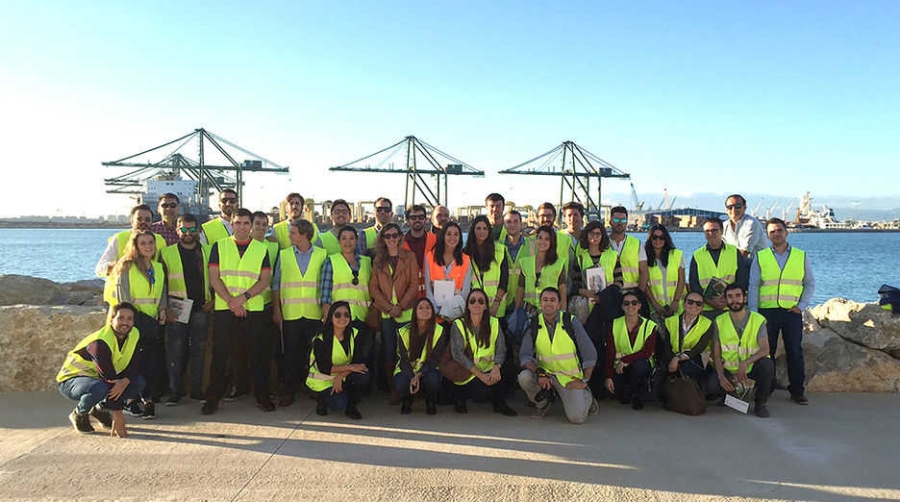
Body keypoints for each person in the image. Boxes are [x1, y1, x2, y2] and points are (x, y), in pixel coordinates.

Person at [202, 208, 273, 415]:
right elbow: (214, 278)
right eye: (238, 223)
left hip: (254, 309)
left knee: (259, 355)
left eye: (245, 223)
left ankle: (262, 395)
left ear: (251, 225)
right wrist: (232, 302)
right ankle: (213, 397)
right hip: (225, 309)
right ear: (231, 224)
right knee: (220, 354)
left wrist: (243, 299)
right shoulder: (219, 247)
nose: (242, 227)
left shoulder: (261, 249)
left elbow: (265, 280)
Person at [749, 217, 816, 405]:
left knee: (794, 351)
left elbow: (810, 283)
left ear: (786, 232)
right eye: (772, 231)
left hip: (791, 312)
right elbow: (753, 285)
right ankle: (765, 388)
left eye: (779, 230)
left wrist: (801, 306)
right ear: (768, 235)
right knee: (765, 352)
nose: (776, 234)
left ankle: (797, 391)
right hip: (766, 312)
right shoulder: (761, 256)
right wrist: (754, 312)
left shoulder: (800, 256)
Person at [57, 302, 144, 437]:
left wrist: (125, 381)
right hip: (71, 381)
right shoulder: (100, 342)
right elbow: (108, 377)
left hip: (99, 379)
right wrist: (118, 416)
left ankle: (99, 409)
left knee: (138, 382)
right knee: (100, 388)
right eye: (121, 318)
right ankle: (79, 414)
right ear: (111, 320)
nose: (125, 323)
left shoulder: (134, 333)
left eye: (129, 319)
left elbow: (135, 363)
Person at [519, 287, 598, 424]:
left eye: (552, 300)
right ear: (540, 303)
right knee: (524, 377)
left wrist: (584, 381)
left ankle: (587, 397)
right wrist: (539, 372)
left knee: (577, 418)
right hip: (545, 375)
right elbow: (525, 355)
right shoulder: (532, 324)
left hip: (568, 378)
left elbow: (590, 354)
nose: (548, 303)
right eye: (545, 300)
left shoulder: (570, 322)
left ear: (559, 304)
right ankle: (542, 404)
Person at [111, 230, 167, 418]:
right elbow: (122, 297)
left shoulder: (158, 267)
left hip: (152, 323)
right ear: (135, 246)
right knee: (133, 364)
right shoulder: (126, 266)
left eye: (151, 242)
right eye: (143, 243)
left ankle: (148, 400)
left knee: (150, 364)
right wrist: (129, 322)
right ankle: (132, 400)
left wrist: (162, 309)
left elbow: (162, 291)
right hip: (134, 323)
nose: (148, 246)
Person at [272, 219, 327, 407]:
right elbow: (276, 284)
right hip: (291, 313)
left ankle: (314, 387)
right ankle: (289, 389)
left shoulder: (322, 254)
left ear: (305, 234)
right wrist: (276, 309)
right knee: (290, 354)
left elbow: (326, 285)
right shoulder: (284, 254)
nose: (290, 236)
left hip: (314, 312)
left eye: (293, 232)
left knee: (314, 353)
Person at [161, 214, 212, 405]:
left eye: (192, 229)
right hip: (177, 309)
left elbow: (216, 278)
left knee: (199, 350)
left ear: (198, 231)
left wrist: (213, 300)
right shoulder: (166, 253)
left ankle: (197, 391)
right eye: (184, 229)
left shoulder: (208, 251)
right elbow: (161, 284)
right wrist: (165, 308)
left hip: (201, 308)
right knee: (176, 350)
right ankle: (176, 392)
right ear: (177, 230)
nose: (188, 233)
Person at [708, 284, 775, 418]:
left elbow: (765, 349)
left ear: (744, 298)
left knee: (767, 365)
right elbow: (716, 354)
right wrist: (721, 377)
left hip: (750, 369)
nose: (734, 300)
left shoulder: (758, 320)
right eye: (730, 297)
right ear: (726, 300)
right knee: (712, 386)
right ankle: (729, 396)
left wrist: (745, 362)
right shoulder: (719, 321)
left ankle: (760, 404)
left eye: (738, 296)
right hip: (729, 370)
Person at [449, 289, 517, 416]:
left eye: (481, 301)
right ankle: (460, 400)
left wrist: (497, 367)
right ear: (467, 305)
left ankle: (499, 403)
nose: (476, 304)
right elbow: (457, 354)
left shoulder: (494, 323)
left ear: (486, 306)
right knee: (459, 369)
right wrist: (480, 375)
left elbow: (501, 349)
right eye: (472, 301)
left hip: (489, 369)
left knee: (508, 367)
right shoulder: (458, 324)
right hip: (467, 371)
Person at [370, 222, 419, 389]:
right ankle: (393, 388)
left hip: (406, 313)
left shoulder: (410, 257)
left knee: (407, 351)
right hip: (386, 314)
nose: (391, 239)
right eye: (387, 236)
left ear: (400, 237)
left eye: (394, 235)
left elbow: (414, 285)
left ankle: (409, 384)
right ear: (382, 239)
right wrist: (389, 308)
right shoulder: (378, 260)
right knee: (389, 351)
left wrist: (401, 306)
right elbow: (374, 288)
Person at [307, 301, 372, 419]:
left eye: (346, 315)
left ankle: (351, 405)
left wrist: (341, 376)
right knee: (338, 404)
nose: (342, 318)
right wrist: (349, 368)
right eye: (338, 315)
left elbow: (359, 362)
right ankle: (321, 399)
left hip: (342, 376)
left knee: (364, 375)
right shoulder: (320, 339)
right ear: (331, 317)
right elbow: (324, 368)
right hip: (323, 381)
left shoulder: (355, 334)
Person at [95, 204, 167, 306]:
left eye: (147, 219)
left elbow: (162, 273)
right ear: (132, 221)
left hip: (150, 306)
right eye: (139, 219)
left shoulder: (159, 241)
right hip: (119, 305)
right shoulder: (119, 239)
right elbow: (99, 269)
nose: (143, 222)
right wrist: (120, 266)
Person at [657, 291, 715, 404]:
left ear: (702, 307)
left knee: (687, 368)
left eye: (698, 304)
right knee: (661, 376)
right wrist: (671, 361)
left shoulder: (708, 324)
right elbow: (667, 347)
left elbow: (699, 348)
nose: (694, 306)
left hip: (695, 360)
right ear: (683, 304)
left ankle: (693, 395)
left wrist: (678, 359)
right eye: (690, 302)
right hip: (673, 358)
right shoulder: (670, 321)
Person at [605, 291, 657, 410]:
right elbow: (610, 352)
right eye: (626, 303)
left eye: (634, 303)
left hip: (641, 365)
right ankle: (628, 389)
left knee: (639, 366)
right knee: (619, 394)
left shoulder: (650, 325)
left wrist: (625, 360)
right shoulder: (614, 324)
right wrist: (608, 377)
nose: (630, 306)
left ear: (640, 306)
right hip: (620, 368)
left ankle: (636, 394)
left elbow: (647, 351)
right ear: (622, 307)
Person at [394, 298, 448, 415]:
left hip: (428, 369)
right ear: (415, 312)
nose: (424, 310)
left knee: (433, 380)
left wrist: (419, 375)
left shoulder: (439, 331)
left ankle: (431, 400)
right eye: (421, 308)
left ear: (432, 312)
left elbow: (435, 359)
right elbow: (403, 360)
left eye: (428, 308)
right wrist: (412, 376)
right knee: (400, 383)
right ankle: (407, 400)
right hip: (408, 369)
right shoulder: (403, 331)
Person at [689, 217, 749, 315]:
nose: (711, 234)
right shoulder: (697, 255)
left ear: (722, 231)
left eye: (714, 230)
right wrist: (710, 301)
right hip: (706, 309)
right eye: (707, 231)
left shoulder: (734, 252)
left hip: (730, 307)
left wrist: (728, 299)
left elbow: (742, 279)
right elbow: (694, 284)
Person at [320, 225, 372, 325]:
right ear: (339, 241)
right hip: (339, 318)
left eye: (352, 238)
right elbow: (325, 295)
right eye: (344, 238)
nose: (348, 242)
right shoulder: (331, 261)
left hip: (363, 317)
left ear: (356, 241)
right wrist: (327, 319)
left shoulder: (367, 262)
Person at [464, 215, 509, 319]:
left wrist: (496, 304)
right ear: (473, 230)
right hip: (474, 307)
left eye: (485, 228)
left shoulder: (500, 251)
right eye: (478, 228)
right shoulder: (466, 253)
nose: (482, 231)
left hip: (496, 307)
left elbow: (504, 281)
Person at [424, 221, 472, 321]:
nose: (452, 238)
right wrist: (437, 312)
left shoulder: (466, 260)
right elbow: (428, 291)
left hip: (456, 315)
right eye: (449, 234)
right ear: (443, 236)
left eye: (456, 234)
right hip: (435, 314)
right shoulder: (430, 257)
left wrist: (447, 311)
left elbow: (465, 292)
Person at [517, 226, 567, 314]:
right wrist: (517, 311)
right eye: (540, 238)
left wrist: (563, 312)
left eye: (547, 239)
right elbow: (521, 289)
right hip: (529, 311)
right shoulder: (525, 262)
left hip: (550, 311)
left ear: (552, 242)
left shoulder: (559, 263)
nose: (542, 242)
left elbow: (562, 290)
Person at [644, 224, 685, 321]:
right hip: (654, 308)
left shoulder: (676, 254)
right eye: (654, 237)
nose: (658, 241)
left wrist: (676, 301)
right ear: (650, 239)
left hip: (675, 306)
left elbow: (681, 280)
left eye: (661, 238)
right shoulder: (644, 257)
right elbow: (644, 283)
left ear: (666, 239)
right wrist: (655, 304)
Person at [607, 206, 648, 291]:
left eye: (623, 220)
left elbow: (644, 272)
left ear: (626, 223)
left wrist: (639, 294)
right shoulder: (602, 243)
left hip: (630, 294)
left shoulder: (637, 244)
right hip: (608, 293)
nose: (620, 223)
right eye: (616, 220)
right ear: (610, 221)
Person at [401, 204, 436, 298]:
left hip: (432, 295)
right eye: (413, 217)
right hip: (409, 297)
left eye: (421, 217)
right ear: (408, 221)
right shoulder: (400, 244)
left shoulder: (435, 240)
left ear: (425, 220)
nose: (417, 220)